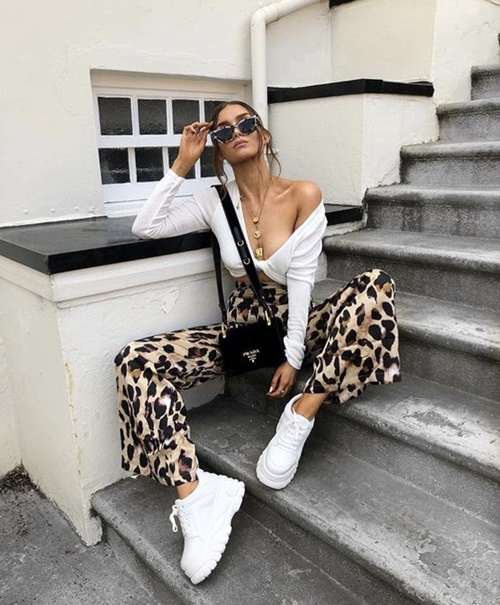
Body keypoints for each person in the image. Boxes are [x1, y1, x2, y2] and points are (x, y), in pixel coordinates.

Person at [114, 100, 401, 585]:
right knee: (134, 361)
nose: (237, 132)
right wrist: (183, 162)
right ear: (219, 148)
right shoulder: (213, 201)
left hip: (300, 322)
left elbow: (303, 281)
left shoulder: (303, 193)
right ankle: (197, 495)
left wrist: (293, 357)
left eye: (246, 123)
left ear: (263, 135)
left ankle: (302, 413)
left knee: (376, 286)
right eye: (223, 131)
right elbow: (146, 226)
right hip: (242, 333)